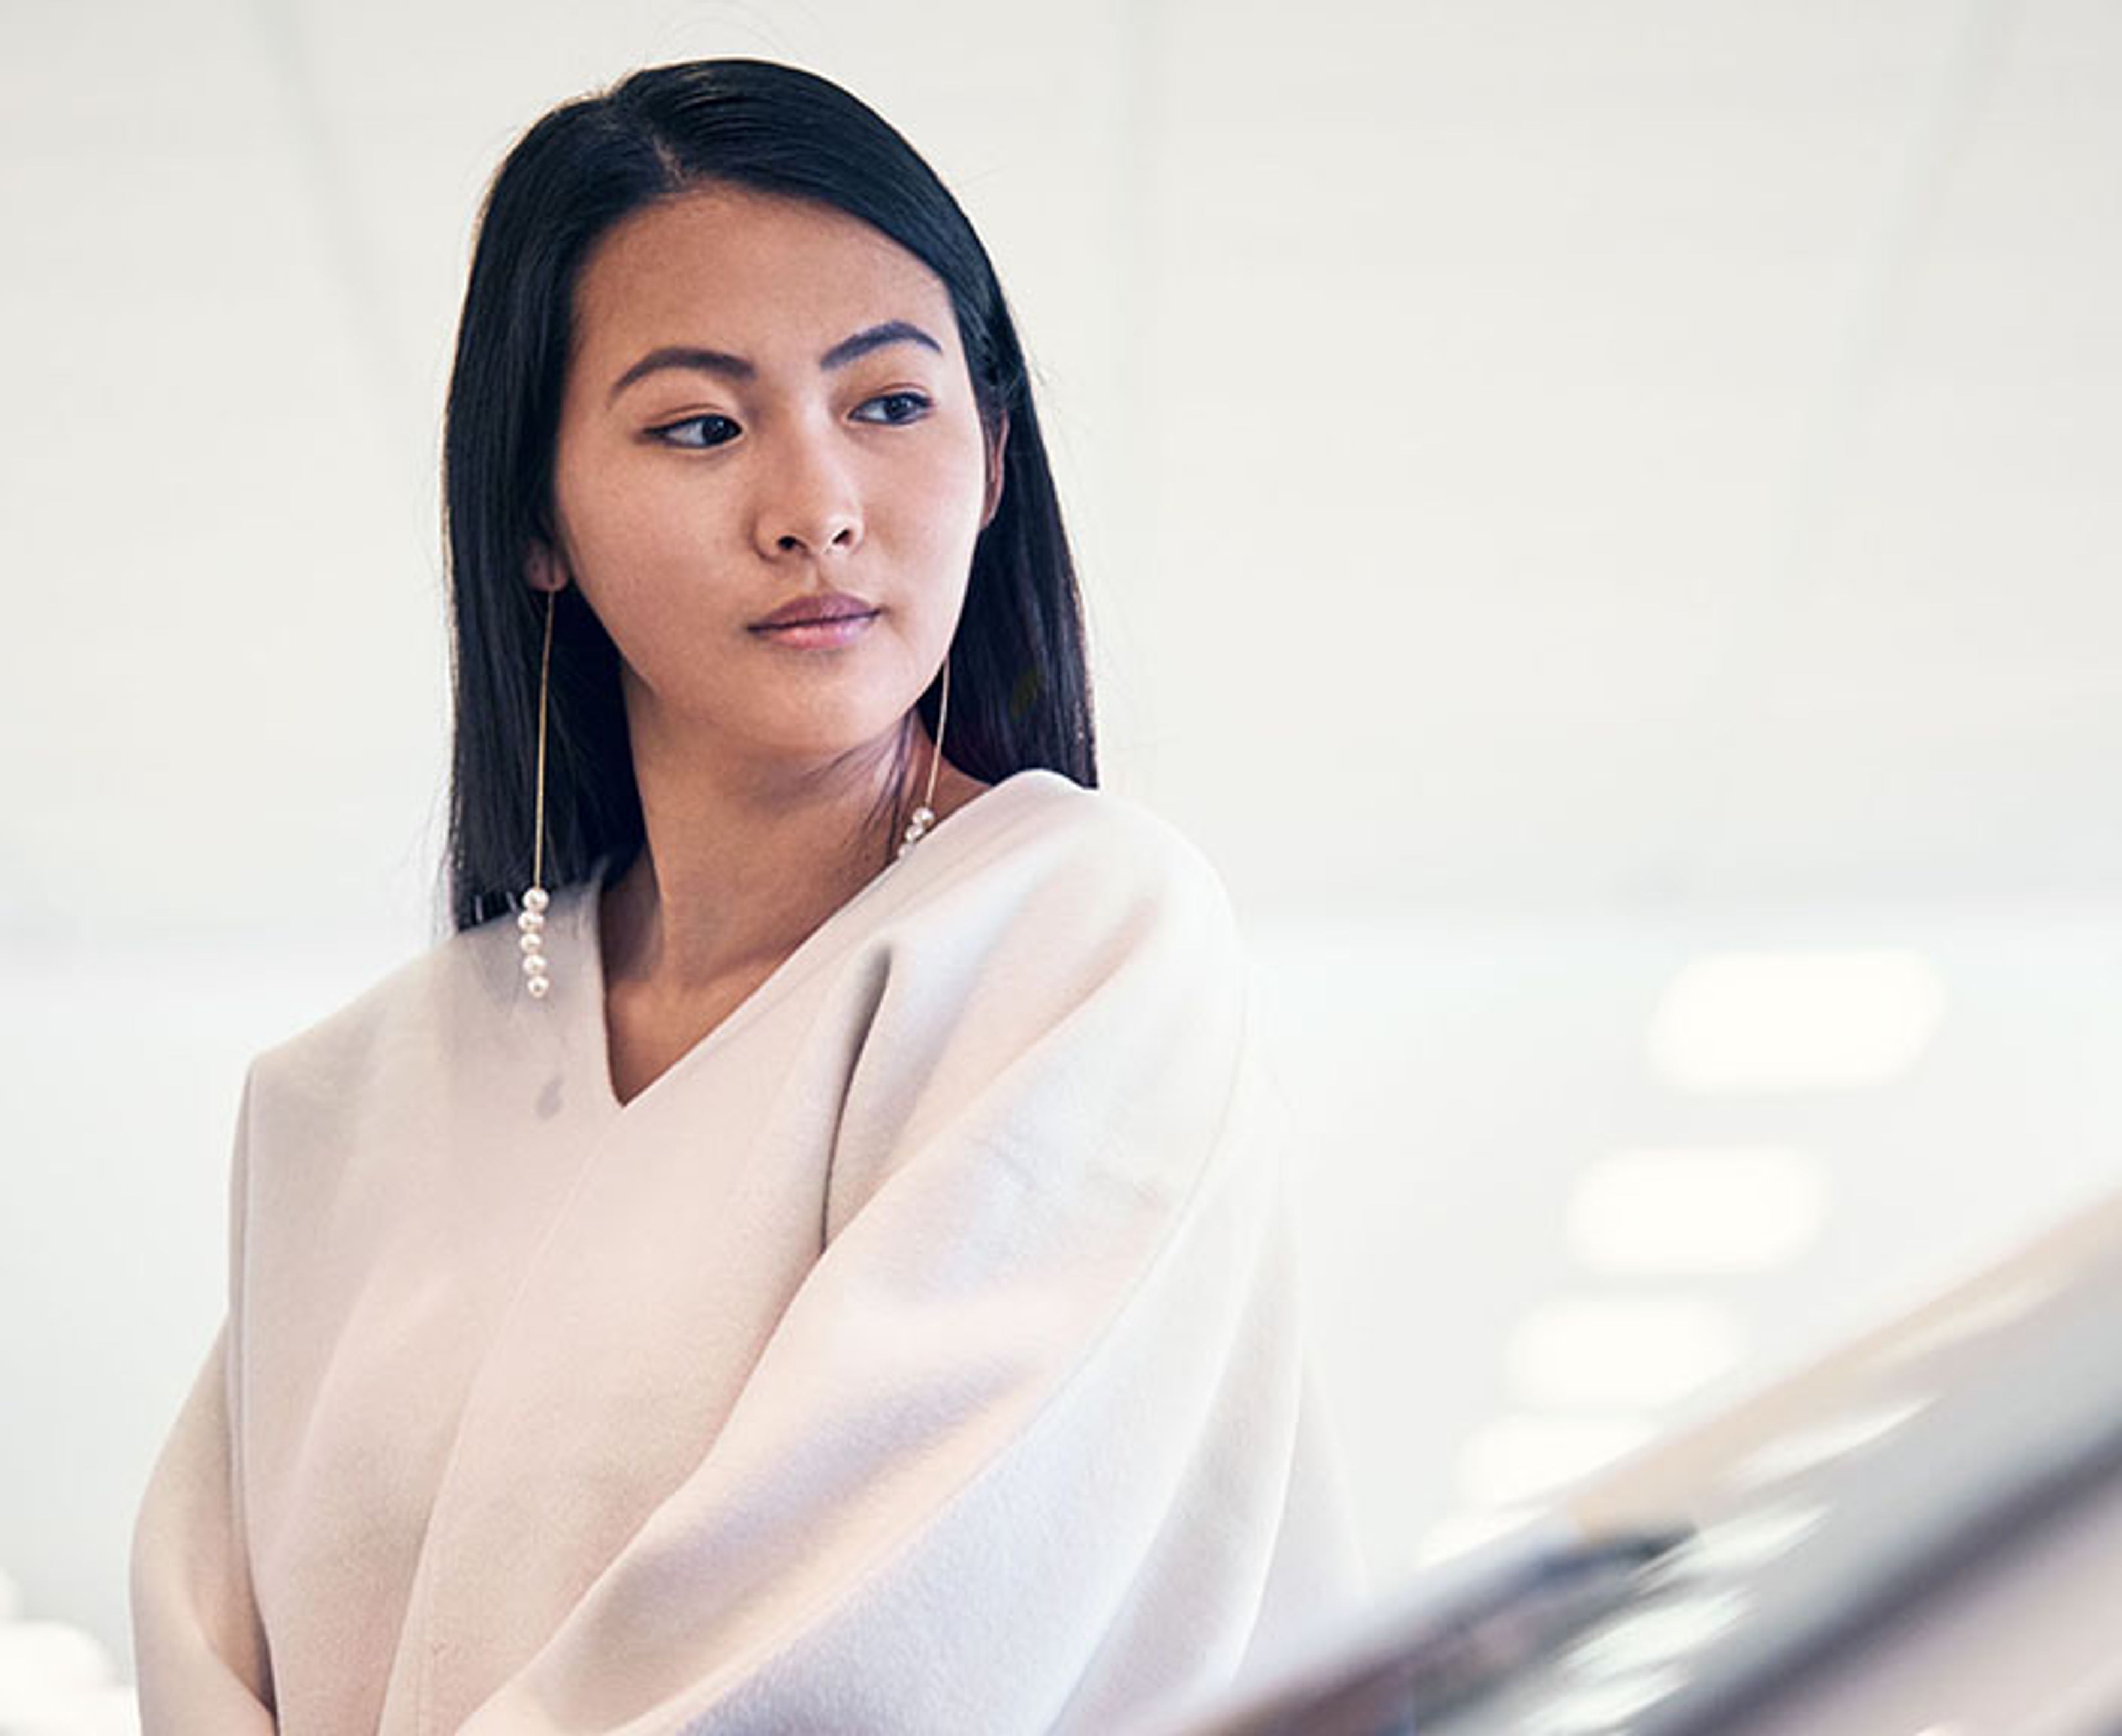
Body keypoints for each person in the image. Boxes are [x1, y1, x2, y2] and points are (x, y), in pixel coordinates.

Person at [129, 56, 1365, 1735]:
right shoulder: (345, 1102)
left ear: (995, 459)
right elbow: (209, 1646)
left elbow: (874, 1638)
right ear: (535, 524)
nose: (818, 511)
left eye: (890, 403)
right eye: (700, 426)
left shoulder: (1079, 939)